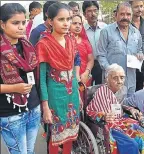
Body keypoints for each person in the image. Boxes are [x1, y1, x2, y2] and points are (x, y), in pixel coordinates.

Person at [36, 2, 80, 154]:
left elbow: (73, 71)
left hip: (72, 94)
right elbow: (42, 79)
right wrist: (45, 107)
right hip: (54, 97)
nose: (66, 23)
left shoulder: (71, 41)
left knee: (70, 135)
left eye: (68, 19)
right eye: (61, 19)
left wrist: (78, 95)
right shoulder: (44, 44)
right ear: (50, 20)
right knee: (55, 136)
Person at [0, 3, 41, 154]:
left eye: (23, 22)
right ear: (2, 24)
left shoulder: (27, 45)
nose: (21, 27)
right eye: (15, 23)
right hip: (11, 114)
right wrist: (14, 88)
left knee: (29, 151)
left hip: (33, 108)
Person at [86, 64, 144, 154]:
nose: (119, 81)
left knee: (143, 139)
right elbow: (90, 111)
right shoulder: (101, 92)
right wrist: (104, 115)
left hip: (121, 122)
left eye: (122, 77)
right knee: (132, 144)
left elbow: (119, 106)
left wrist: (132, 109)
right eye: (115, 78)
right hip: (109, 127)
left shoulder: (121, 90)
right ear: (107, 79)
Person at [97, 2, 144, 97]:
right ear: (116, 15)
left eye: (128, 14)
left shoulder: (136, 33)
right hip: (112, 83)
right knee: (111, 110)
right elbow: (101, 55)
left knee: (129, 109)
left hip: (130, 82)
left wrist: (140, 55)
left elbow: (140, 50)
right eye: (122, 14)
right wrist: (111, 70)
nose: (125, 17)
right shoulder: (106, 32)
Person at [82, 1, 107, 85]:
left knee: (102, 88)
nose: (93, 14)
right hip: (87, 65)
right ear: (84, 14)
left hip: (102, 64)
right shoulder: (81, 30)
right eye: (89, 11)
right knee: (86, 89)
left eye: (95, 10)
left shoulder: (105, 28)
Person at [130, 1, 144, 91]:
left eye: (141, 6)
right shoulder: (126, 22)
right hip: (129, 61)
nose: (139, 9)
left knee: (139, 88)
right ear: (130, 7)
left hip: (142, 62)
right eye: (136, 7)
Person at [70, 15, 94, 86]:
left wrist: (86, 73)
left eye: (80, 24)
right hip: (69, 78)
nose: (78, 26)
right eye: (74, 23)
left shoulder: (85, 42)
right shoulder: (64, 41)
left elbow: (91, 60)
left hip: (84, 78)